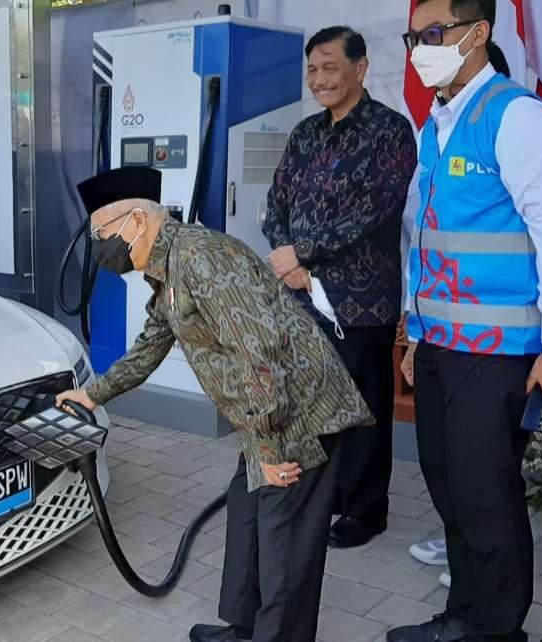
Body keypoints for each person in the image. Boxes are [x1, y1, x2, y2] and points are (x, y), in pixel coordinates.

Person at [56, 167, 373, 642]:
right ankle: (245, 627)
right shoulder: (167, 267)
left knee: (282, 538)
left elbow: (261, 355)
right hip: (266, 411)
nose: (100, 246)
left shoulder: (202, 261)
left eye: (103, 233)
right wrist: (92, 393)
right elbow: (150, 346)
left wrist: (267, 451)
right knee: (248, 513)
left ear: (137, 221)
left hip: (301, 413)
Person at [391, 0, 542, 640]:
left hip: (500, 352)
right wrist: (415, 335)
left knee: (486, 498)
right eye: (412, 35)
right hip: (440, 346)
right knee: (449, 491)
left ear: (477, 34)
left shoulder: (516, 116)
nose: (419, 47)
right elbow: (426, 239)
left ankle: (497, 630)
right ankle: (462, 616)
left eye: (432, 33)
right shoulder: (437, 125)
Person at [264, 26, 417, 549]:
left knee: (361, 410)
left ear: (361, 67)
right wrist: (288, 258)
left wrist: (304, 253)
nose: (320, 79)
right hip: (300, 296)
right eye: (312, 69)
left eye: (330, 67)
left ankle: (365, 509)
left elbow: (376, 210)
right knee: (309, 403)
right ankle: (321, 494)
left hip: (361, 301)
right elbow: (276, 202)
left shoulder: (390, 131)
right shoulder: (305, 133)